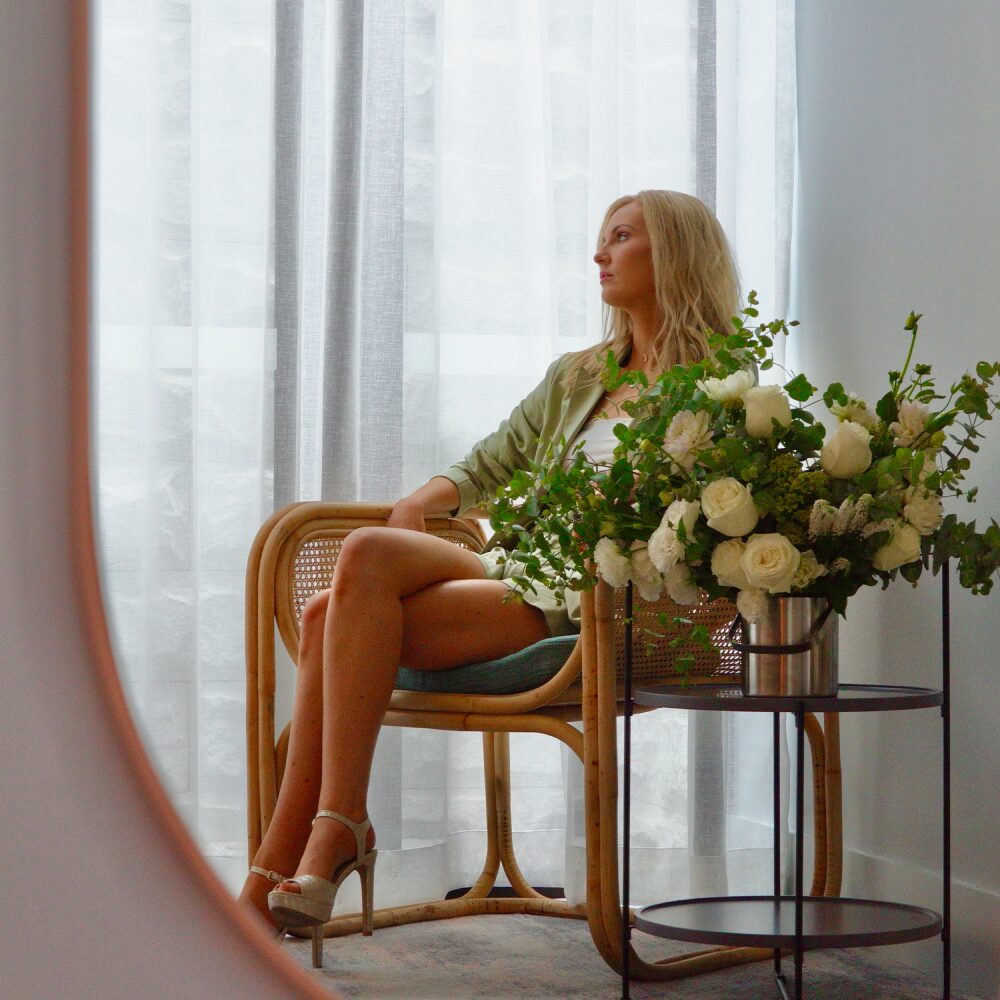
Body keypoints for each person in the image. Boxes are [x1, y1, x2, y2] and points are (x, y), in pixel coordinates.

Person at [237, 190, 740, 951]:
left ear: (672, 251)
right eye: (602, 238)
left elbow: (709, 521)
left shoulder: (722, 387)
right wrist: (424, 499)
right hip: (517, 565)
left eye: (620, 237)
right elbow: (492, 460)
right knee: (367, 552)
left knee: (322, 615)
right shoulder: (579, 374)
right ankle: (333, 831)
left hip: (591, 598)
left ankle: (291, 860)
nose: (599, 254)